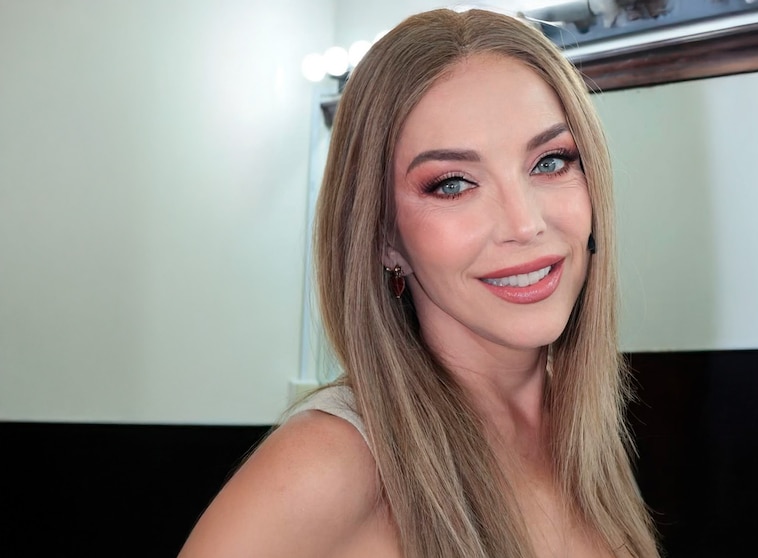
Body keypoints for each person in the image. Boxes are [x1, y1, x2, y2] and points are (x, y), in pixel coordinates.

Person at [179, 8, 660, 558]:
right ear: (385, 236)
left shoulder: (580, 429)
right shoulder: (331, 463)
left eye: (550, 162)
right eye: (453, 184)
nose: (525, 223)